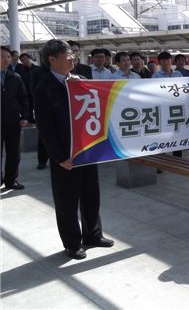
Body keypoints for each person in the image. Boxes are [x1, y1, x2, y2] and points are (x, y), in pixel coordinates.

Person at [34, 40, 114, 260]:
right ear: (52, 59)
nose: (73, 56)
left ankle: (93, 235)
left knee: (91, 195)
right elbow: (46, 128)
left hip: (86, 150)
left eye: (72, 53)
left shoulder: (79, 82)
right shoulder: (44, 88)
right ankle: (72, 242)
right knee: (67, 200)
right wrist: (59, 157)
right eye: (67, 53)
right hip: (65, 156)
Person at [1, 46, 29, 190]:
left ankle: (11, 180)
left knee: (13, 153)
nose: (6, 59)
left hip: (13, 121)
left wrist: (25, 116)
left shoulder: (15, 77)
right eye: (2, 57)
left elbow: (24, 99)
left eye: (7, 57)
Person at [16, 53, 38, 122]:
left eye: (26, 59)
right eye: (22, 60)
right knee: (29, 108)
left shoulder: (38, 69)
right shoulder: (20, 71)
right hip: (26, 93)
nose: (25, 61)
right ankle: (30, 120)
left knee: (39, 108)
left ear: (30, 58)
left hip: (37, 93)